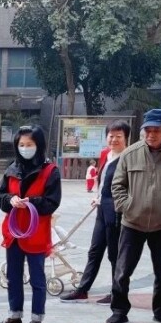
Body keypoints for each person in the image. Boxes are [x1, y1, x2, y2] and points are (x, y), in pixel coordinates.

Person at [108, 108, 161, 323]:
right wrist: (127, 206)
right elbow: (117, 185)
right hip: (132, 222)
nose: (151, 135)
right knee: (122, 271)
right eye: (147, 130)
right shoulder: (130, 153)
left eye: (156, 130)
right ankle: (119, 310)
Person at [0, 125, 62, 323]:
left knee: (37, 278)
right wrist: (10, 199)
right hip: (14, 233)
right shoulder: (12, 169)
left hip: (36, 233)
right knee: (13, 276)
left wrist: (31, 201)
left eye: (29, 144)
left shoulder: (50, 171)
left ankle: (37, 319)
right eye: (21, 144)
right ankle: (15, 316)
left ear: (38, 145)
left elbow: (52, 202)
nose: (25, 148)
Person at [62, 121, 130, 303]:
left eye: (119, 136)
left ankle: (117, 293)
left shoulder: (128, 158)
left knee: (115, 253)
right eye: (111, 136)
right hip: (101, 210)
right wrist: (98, 196)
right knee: (94, 251)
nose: (114, 139)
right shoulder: (105, 154)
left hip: (116, 212)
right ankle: (82, 290)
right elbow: (103, 180)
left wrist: (112, 201)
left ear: (126, 138)